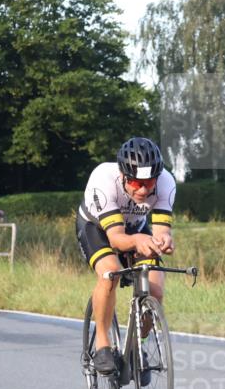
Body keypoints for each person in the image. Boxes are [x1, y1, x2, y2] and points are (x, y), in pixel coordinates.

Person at [75, 137, 176, 376]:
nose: (143, 190)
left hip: (136, 227)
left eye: (149, 183)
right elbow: (116, 239)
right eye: (136, 183)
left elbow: (161, 230)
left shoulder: (166, 181)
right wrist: (138, 241)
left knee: (155, 289)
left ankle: (136, 347)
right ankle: (102, 345)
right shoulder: (103, 179)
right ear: (122, 175)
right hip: (97, 228)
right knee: (110, 274)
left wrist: (164, 240)